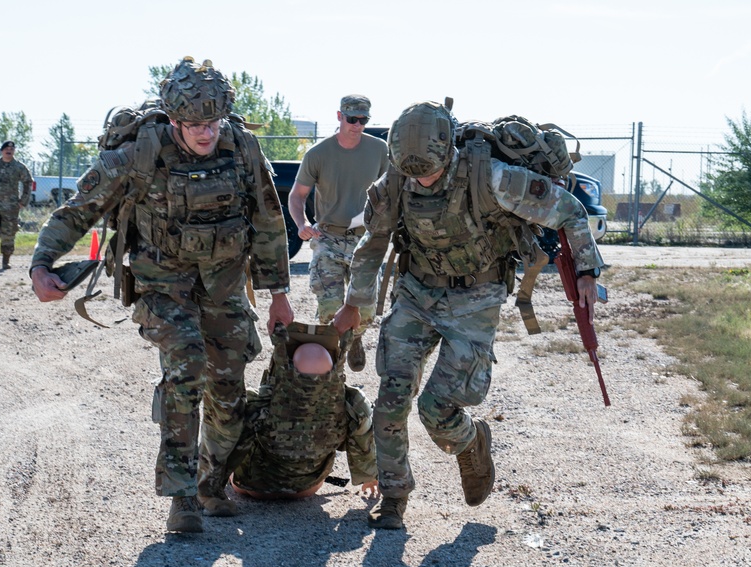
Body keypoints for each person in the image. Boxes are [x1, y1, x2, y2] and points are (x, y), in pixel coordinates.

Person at [29, 56, 294, 534]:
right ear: (174, 119)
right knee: (187, 368)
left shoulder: (242, 146)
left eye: (213, 122)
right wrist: (41, 263)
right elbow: (78, 209)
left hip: (225, 283)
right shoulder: (139, 153)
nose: (206, 133)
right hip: (163, 282)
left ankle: (212, 483)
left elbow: (270, 221)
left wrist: (277, 292)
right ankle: (181, 496)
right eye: (194, 124)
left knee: (229, 391)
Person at [333, 101, 605, 530]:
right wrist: (354, 304)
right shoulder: (397, 180)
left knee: (436, 409)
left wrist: (588, 269)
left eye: (430, 172)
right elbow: (374, 241)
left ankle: (472, 442)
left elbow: (568, 210)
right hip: (416, 291)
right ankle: (394, 496)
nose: (421, 179)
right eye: (413, 172)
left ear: (449, 155)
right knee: (391, 399)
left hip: (476, 297)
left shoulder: (493, 178)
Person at [287, 94, 388, 371]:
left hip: (364, 239)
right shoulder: (318, 154)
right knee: (330, 309)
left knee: (365, 311)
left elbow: (390, 192)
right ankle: (335, 365)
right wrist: (302, 224)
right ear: (339, 116)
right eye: (351, 119)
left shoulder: (379, 150)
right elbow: (297, 196)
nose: (356, 125)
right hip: (327, 238)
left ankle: (355, 338)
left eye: (362, 120)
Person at [227, 322, 378, 500]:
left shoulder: (261, 400)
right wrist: (370, 477)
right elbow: (363, 440)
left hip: (254, 487)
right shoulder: (349, 403)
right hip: (308, 486)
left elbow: (227, 439)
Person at [0, 141, 32, 269]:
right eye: (6, 149)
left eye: (11, 149)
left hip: (11, 207)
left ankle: (6, 261)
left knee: (9, 233)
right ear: (1, 151)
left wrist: (23, 201)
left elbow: (28, 182)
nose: (9, 151)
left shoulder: (19, 167)